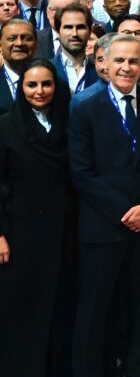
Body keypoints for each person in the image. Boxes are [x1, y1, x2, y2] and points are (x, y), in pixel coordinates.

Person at [69, 34, 140, 377]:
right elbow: (82, 173)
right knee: (95, 310)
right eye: (119, 61)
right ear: (104, 62)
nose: (127, 67)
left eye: (134, 61)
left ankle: (139, 370)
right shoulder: (83, 105)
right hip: (103, 227)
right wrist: (125, 213)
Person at [0, 59, 75, 376]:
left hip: (65, 231)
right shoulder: (4, 126)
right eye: (32, 85)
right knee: (23, 306)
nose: (40, 91)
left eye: (46, 84)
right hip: (21, 233)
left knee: (62, 304)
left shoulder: (70, 123)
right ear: (21, 88)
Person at [54, 4, 98, 96]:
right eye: (68, 27)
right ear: (58, 32)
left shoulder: (100, 71)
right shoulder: (48, 69)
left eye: (80, 27)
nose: (74, 33)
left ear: (89, 32)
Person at [0, 18, 39, 115]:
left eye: (26, 38)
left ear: (36, 45)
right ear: (0, 46)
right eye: (12, 39)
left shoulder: (53, 82)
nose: (19, 43)